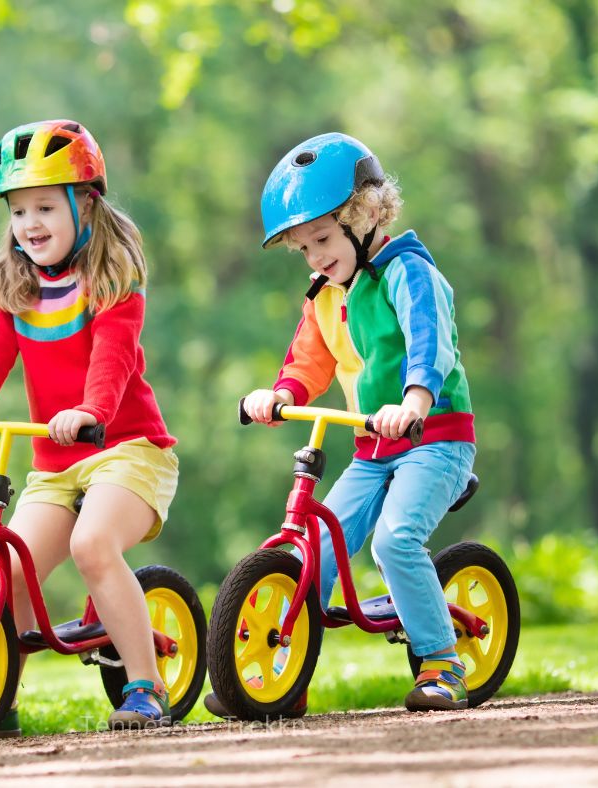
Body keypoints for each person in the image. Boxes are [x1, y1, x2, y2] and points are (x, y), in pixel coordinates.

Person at [209, 132, 476, 717]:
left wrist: (414, 399)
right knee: (315, 552)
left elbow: (432, 343)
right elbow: (309, 360)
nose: (315, 257)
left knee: (394, 540)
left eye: (324, 240)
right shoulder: (327, 294)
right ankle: (284, 674)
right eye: (303, 248)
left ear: (366, 216)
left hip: (433, 439)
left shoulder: (409, 273)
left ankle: (443, 664)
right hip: (371, 447)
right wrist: (279, 395)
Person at [0, 119, 179, 735]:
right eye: (18, 212)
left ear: (85, 204)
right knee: (7, 570)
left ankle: (146, 688)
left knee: (91, 546)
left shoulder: (112, 282)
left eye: (45, 206)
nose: (29, 224)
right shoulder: (14, 284)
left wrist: (92, 412)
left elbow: (113, 357)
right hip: (55, 462)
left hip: (128, 450)